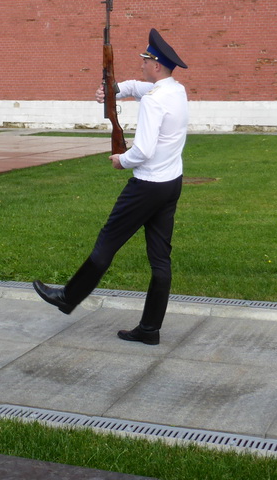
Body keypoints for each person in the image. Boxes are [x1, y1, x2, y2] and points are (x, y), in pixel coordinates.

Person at [33, 28, 189, 346]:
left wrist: (122, 161)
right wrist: (114, 89)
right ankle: (150, 328)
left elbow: (143, 150)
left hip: (145, 186)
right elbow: (137, 87)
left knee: (107, 242)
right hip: (170, 183)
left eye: (146, 60)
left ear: (156, 65)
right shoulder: (176, 91)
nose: (142, 64)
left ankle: (68, 297)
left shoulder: (155, 101)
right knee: (160, 259)